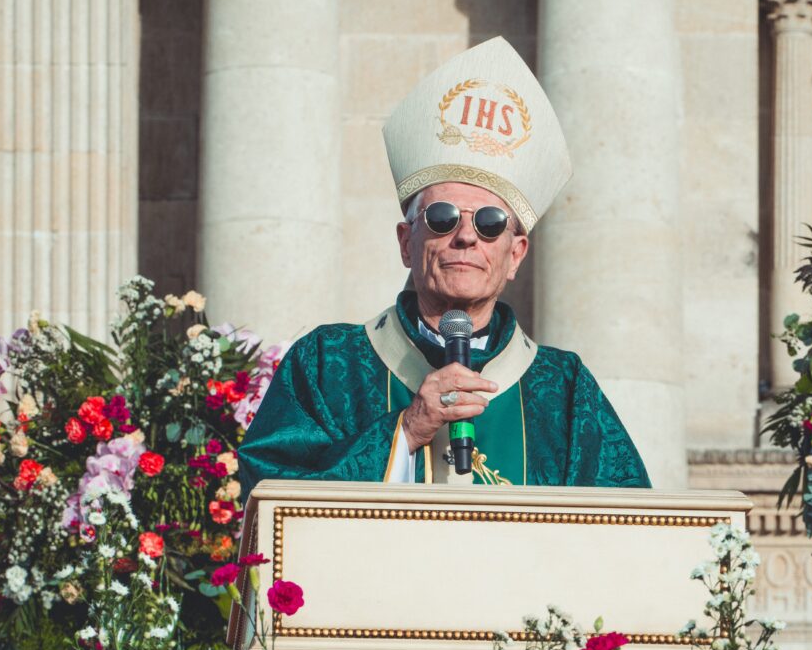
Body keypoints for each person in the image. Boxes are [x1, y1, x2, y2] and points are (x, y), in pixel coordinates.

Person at [238, 38, 650, 498]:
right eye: (442, 217)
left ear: (515, 255)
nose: (467, 236)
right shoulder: (328, 364)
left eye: (491, 223)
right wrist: (407, 431)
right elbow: (269, 491)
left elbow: (629, 519)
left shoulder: (564, 390)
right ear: (405, 243)